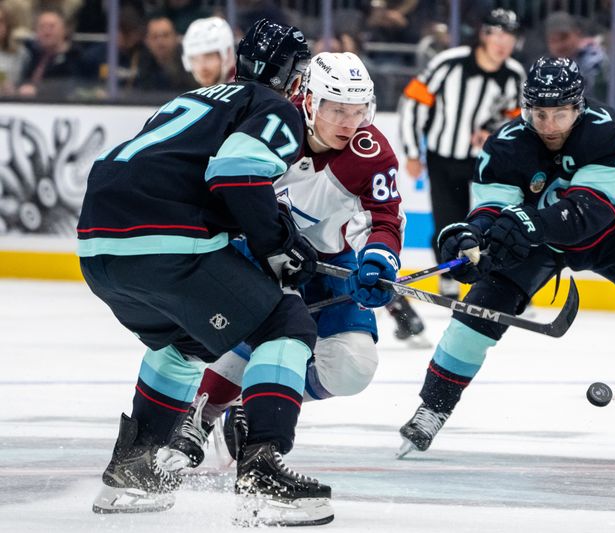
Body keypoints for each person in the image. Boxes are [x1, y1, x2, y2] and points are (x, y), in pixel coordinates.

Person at [397, 57, 615, 462]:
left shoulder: (607, 131)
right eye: (540, 113)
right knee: (479, 310)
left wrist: (527, 222)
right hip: (541, 241)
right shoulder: (504, 144)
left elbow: (592, 210)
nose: (549, 124)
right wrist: (474, 236)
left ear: (579, 108)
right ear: (525, 108)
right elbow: (492, 208)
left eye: (561, 113)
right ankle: (432, 408)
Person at [79, 19, 334, 526]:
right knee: (286, 324)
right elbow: (235, 173)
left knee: (182, 345)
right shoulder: (273, 106)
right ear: (294, 76)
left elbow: (190, 172)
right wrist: (279, 245)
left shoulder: (193, 100)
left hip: (98, 247)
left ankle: (134, 469)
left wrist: (267, 227)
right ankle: (262, 469)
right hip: (166, 247)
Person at [155, 51, 410, 473]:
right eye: (337, 110)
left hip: (326, 266)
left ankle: (248, 399)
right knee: (244, 340)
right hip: (253, 257)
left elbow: (383, 217)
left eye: (358, 110)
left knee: (353, 367)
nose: (349, 123)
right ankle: (197, 417)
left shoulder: (371, 153)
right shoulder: (268, 127)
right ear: (309, 101)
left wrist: (379, 260)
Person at [398, 8, 525, 301]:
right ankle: (450, 279)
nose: (503, 42)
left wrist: (492, 133)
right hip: (444, 157)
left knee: (491, 221)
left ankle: (492, 282)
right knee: (448, 222)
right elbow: (414, 102)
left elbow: (518, 121)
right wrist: (411, 151)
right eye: (497, 33)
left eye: (510, 36)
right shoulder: (449, 63)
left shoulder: (514, 75)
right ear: (484, 34)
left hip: (486, 163)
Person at [181, 16, 236, 87]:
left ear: (227, 54)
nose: (202, 67)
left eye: (209, 56)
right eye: (195, 59)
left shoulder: (246, 89)